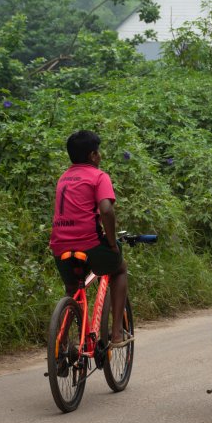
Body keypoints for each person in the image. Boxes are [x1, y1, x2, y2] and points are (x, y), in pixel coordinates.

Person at [49, 130, 132, 348]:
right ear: (93, 155)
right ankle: (116, 333)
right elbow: (106, 209)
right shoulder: (99, 176)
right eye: (99, 152)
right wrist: (112, 244)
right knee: (119, 268)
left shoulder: (64, 178)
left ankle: (61, 344)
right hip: (90, 244)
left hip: (59, 246)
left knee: (72, 288)